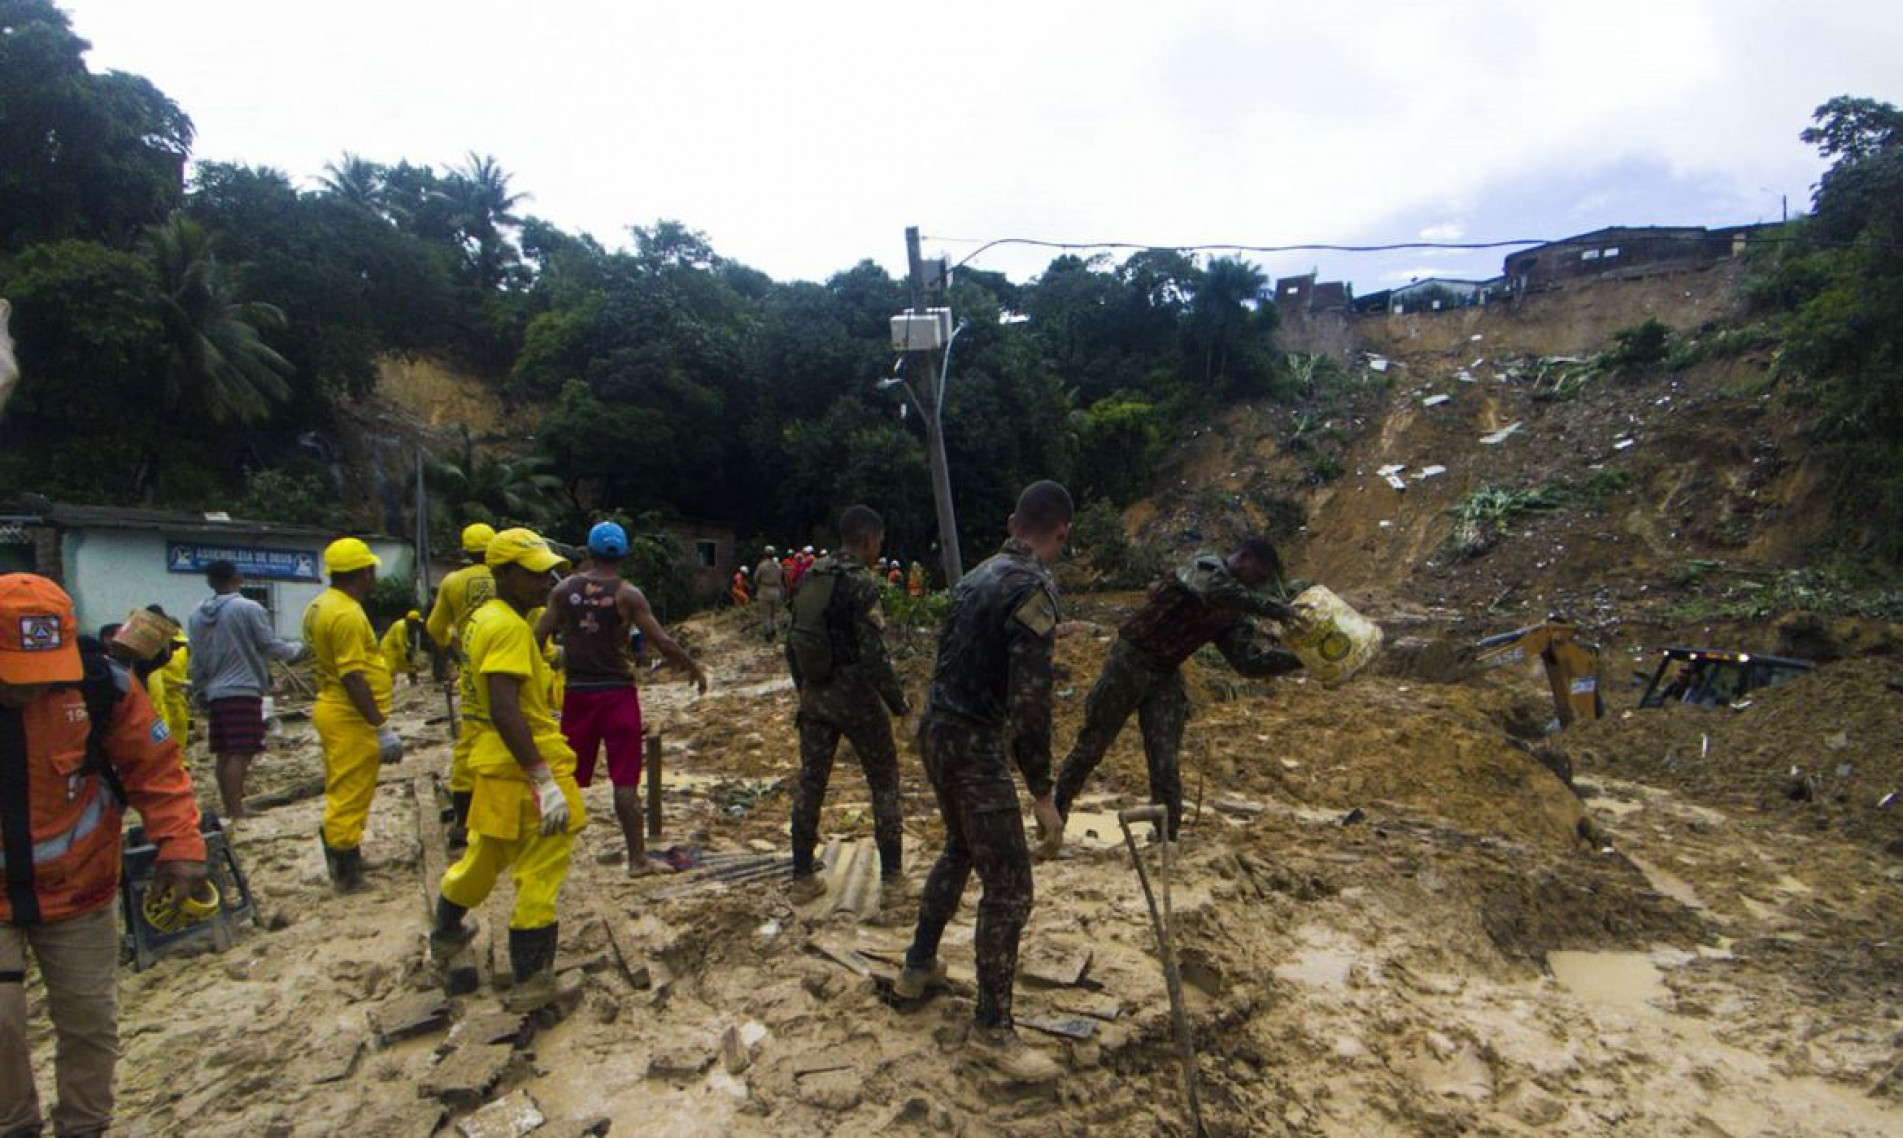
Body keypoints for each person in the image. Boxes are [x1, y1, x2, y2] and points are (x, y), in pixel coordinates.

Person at [0, 574, 209, 1137]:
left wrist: (180, 846)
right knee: (3, 1024)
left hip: (80, 887)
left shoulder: (101, 688)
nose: (28, 689)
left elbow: (156, 770)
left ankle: (84, 1127)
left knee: (90, 1021)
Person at [897, 481, 1073, 1083]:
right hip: (974, 744)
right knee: (1011, 887)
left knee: (959, 848)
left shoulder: (974, 577)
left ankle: (918, 966)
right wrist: (1043, 793)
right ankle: (992, 1031)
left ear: (1011, 521)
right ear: (1062, 532)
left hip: (937, 732)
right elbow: (1031, 703)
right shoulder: (1034, 588)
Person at [428, 530, 587, 1010]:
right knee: (542, 866)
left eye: (548, 572)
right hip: (525, 761)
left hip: (493, 762)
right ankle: (533, 979)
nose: (546, 583)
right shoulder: (510, 629)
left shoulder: (482, 618)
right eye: (534, 574)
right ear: (501, 573)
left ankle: (447, 929)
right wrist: (543, 779)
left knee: (485, 853)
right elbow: (504, 706)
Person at [1052, 538, 1301, 840]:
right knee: (1092, 746)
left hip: (1165, 673)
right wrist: (1278, 611)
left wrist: (1301, 660)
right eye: (1258, 576)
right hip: (1130, 661)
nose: (1256, 585)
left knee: (1165, 759)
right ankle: (1053, 818)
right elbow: (1213, 590)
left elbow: (1247, 663)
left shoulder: (1235, 609)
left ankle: (1167, 835)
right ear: (1243, 558)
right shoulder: (1205, 566)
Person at [537, 522, 708, 877]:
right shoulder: (628, 595)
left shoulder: (564, 590)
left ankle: (540, 854)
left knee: (564, 776)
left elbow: (535, 638)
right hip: (617, 694)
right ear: (625, 556)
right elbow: (661, 640)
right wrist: (692, 666)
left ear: (587, 552)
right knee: (625, 782)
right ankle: (637, 860)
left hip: (578, 693)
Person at [785, 506, 910, 908]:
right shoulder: (860, 583)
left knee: (811, 783)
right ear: (869, 540)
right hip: (857, 700)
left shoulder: (811, 576)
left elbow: (793, 641)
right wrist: (899, 706)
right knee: (884, 781)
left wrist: (805, 690)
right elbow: (874, 657)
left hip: (816, 696)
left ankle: (802, 876)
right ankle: (892, 880)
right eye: (879, 543)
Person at [303, 537, 401, 891]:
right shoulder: (345, 613)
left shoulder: (321, 605)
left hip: (336, 707)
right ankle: (346, 871)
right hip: (348, 714)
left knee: (350, 787)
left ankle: (349, 851)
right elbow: (352, 676)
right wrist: (380, 726)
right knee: (348, 792)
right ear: (365, 573)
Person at [188, 559, 305, 821]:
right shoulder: (248, 608)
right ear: (237, 578)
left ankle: (231, 806)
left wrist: (199, 690)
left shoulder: (197, 614)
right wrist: (297, 650)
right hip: (242, 689)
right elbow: (269, 644)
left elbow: (196, 657)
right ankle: (235, 811)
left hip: (215, 691)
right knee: (242, 751)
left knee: (224, 752)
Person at [427, 522, 499, 851]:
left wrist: (456, 650)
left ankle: (464, 822)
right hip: (508, 662)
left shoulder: (452, 582)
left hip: (472, 669)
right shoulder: (508, 577)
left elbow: (435, 626)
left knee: (470, 741)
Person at [380, 610, 428, 686]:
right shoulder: (401, 626)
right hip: (388, 647)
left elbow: (404, 639)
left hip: (395, 647)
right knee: (391, 667)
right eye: (416, 622)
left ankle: (412, 679)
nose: (416, 625)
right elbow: (399, 641)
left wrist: (409, 646)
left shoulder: (405, 626)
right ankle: (387, 684)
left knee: (406, 664)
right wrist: (406, 652)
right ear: (411, 621)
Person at [753, 547, 785, 642]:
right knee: (774, 614)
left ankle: (768, 634)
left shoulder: (762, 566)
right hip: (776, 591)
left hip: (765, 591)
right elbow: (782, 578)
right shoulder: (779, 566)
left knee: (766, 614)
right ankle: (774, 631)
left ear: (765, 554)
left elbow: (756, 579)